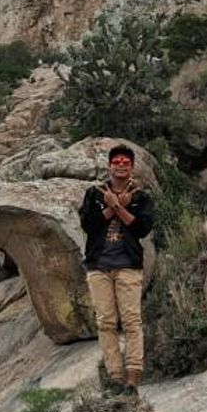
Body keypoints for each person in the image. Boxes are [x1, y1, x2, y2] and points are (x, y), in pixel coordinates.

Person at [79, 143, 157, 395]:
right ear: (109, 165)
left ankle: (133, 377)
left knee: (132, 321)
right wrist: (110, 206)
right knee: (106, 322)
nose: (121, 165)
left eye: (126, 162)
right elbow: (88, 225)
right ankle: (115, 377)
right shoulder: (94, 193)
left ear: (132, 167)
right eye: (117, 161)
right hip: (99, 266)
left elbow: (142, 228)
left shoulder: (141, 197)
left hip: (128, 266)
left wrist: (120, 207)